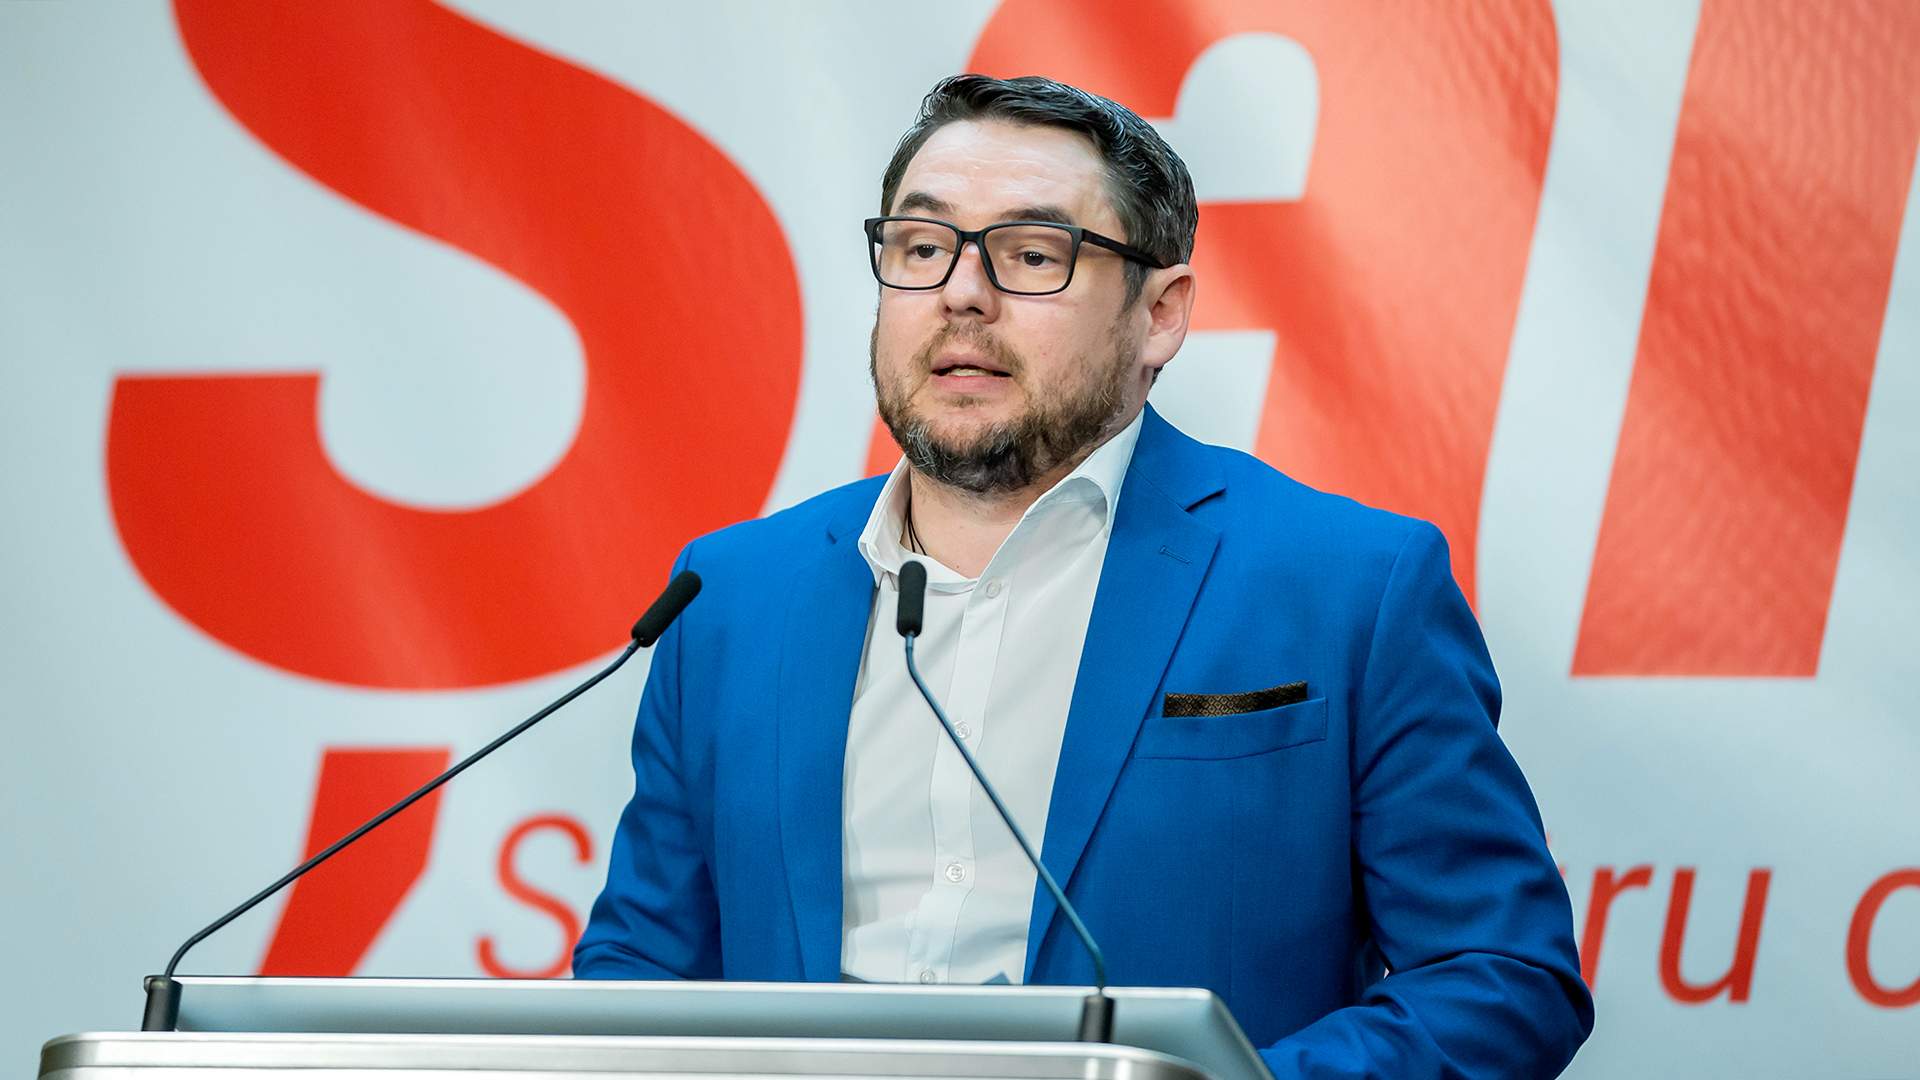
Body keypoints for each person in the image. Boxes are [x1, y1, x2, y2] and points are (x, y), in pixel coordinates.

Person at [575, 73, 1593, 1077]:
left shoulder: (1349, 589)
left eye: (1031, 255)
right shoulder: (731, 597)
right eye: (922, 248)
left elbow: (1501, 975)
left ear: (1161, 314)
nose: (961, 294)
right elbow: (640, 977)